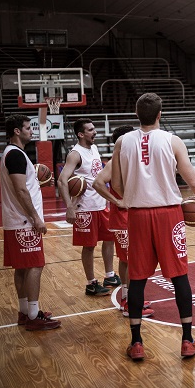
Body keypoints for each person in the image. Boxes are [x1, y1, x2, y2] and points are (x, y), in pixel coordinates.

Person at [111, 92, 195, 360]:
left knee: (136, 279)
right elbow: (193, 182)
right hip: (169, 215)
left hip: (137, 215)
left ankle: (136, 343)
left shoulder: (122, 142)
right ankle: (187, 341)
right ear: (160, 114)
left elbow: (118, 186)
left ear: (137, 115)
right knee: (179, 276)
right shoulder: (173, 140)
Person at [1, 114, 61, 331]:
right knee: (35, 265)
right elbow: (20, 189)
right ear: (17, 131)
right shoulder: (15, 155)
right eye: (27, 128)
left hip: (15, 220)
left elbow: (24, 185)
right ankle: (34, 317)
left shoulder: (12, 154)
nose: (31, 131)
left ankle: (25, 312)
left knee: (22, 267)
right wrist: (36, 218)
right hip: (25, 221)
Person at [93, 125, 155, 318]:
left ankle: (128, 298)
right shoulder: (115, 161)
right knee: (131, 260)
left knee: (127, 259)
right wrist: (118, 201)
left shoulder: (127, 159)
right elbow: (97, 183)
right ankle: (129, 302)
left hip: (130, 217)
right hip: (122, 219)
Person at [57, 118, 119, 296]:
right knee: (89, 246)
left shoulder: (94, 148)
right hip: (85, 208)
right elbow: (62, 180)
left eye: (94, 128)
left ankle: (110, 275)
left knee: (110, 239)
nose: (95, 132)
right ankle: (91, 283)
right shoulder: (75, 154)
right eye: (91, 130)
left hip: (100, 204)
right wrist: (69, 207)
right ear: (81, 134)